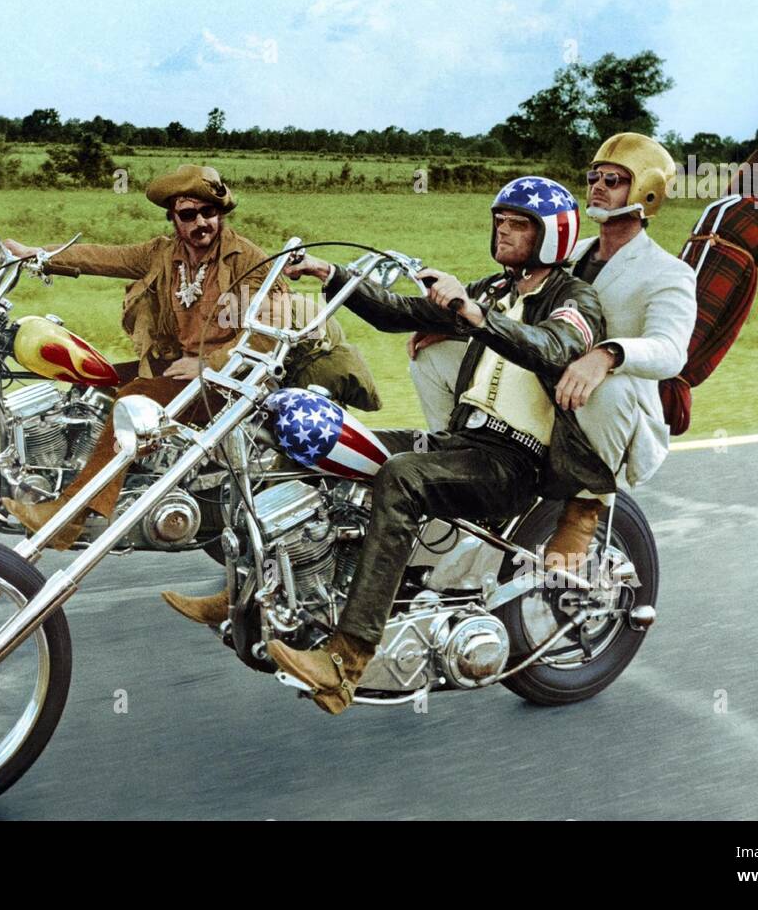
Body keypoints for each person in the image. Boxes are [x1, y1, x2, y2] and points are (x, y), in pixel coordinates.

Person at [163, 176, 614, 713]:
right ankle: (257, 595)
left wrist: (471, 314)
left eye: (518, 225)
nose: (503, 231)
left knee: (402, 476)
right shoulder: (496, 290)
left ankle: (345, 663)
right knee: (320, 444)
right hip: (464, 439)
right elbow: (395, 312)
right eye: (500, 221)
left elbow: (554, 348)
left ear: (552, 237)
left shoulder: (572, 299)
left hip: (517, 463)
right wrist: (334, 276)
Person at [0, 163, 379, 546]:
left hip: (235, 381)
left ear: (220, 214)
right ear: (173, 218)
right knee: (84, 380)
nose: (200, 223)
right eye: (188, 215)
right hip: (180, 368)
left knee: (132, 399)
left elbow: (265, 338)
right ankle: (28, 478)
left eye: (208, 213)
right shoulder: (163, 254)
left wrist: (209, 364)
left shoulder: (249, 263)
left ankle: (71, 517)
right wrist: (37, 254)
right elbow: (103, 257)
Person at [407, 134, 697, 570]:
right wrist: (452, 326)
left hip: (606, 407)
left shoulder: (668, 272)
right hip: (543, 387)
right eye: (593, 176)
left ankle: (585, 509)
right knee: (429, 356)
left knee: (608, 389)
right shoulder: (569, 252)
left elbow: (672, 351)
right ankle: (461, 455)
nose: (597, 186)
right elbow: (517, 306)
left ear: (646, 191)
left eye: (614, 180)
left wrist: (607, 355)